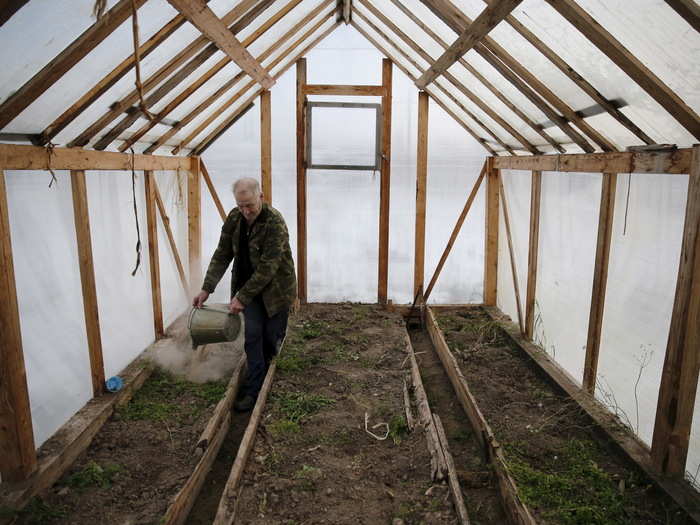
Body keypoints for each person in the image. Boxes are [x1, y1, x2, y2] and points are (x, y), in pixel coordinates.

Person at [192, 177, 296, 412]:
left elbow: (268, 268)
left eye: (249, 205)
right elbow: (222, 253)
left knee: (271, 339)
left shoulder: (274, 223)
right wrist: (207, 288)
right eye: (240, 205)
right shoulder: (234, 219)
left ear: (261, 196)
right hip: (249, 290)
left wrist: (242, 297)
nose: (245, 210)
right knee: (253, 337)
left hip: (276, 291)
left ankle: (270, 366)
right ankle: (253, 390)